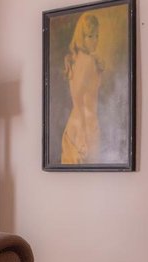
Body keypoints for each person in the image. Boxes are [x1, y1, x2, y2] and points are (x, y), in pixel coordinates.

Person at [61, 12, 104, 164]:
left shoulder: (76, 59)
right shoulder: (87, 61)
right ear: (82, 37)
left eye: (97, 35)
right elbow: (78, 98)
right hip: (83, 130)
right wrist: (82, 135)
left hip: (76, 128)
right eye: (90, 36)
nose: (95, 40)